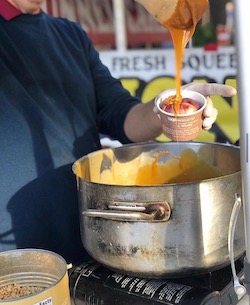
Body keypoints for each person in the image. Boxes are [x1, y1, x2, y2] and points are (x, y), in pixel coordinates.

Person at [0, 0, 237, 264]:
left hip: (86, 239)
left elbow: (123, 116)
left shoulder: (70, 35)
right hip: (12, 250)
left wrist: (168, 107)